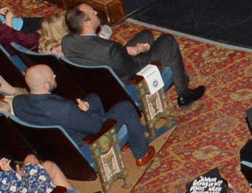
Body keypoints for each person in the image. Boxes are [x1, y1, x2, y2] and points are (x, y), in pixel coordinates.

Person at [60, 3, 203, 108]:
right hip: (127, 88)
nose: (96, 12)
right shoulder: (109, 50)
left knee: (146, 35)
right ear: (86, 23)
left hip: (100, 83)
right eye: (93, 13)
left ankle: (176, 74)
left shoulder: (67, 42)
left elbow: (99, 53)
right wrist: (139, 50)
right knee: (167, 42)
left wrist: (129, 50)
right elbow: (136, 66)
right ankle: (184, 94)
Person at [13, 61, 151, 166]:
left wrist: (84, 110)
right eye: (51, 77)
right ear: (44, 86)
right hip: (83, 150)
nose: (55, 76)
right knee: (125, 107)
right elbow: (97, 126)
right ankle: (142, 153)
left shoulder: (18, 102)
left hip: (57, 148)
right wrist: (87, 113)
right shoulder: (64, 109)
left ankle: (116, 144)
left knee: (93, 98)